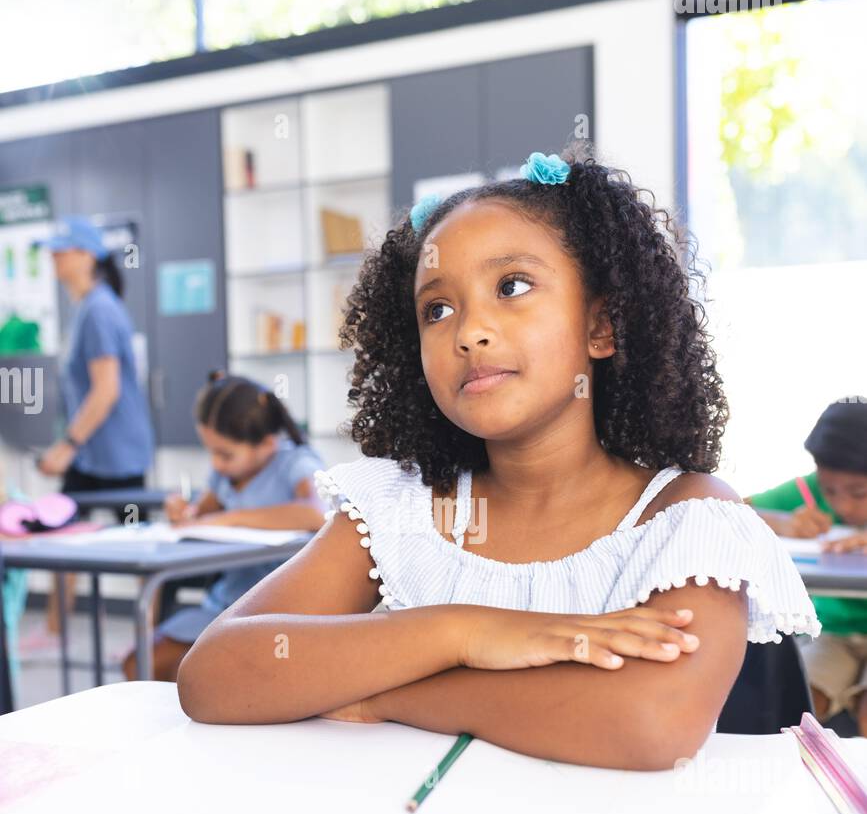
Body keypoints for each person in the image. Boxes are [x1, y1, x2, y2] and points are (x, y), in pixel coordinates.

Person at [175, 148, 819, 770]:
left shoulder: (690, 517)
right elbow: (214, 675)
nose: (469, 331)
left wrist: (386, 695)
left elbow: (650, 724)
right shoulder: (399, 511)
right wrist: (465, 634)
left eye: (512, 285)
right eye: (438, 308)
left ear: (602, 327)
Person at [122, 372, 325, 681]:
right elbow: (198, 516)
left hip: (278, 612)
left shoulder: (296, 463)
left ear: (268, 444)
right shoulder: (225, 474)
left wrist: (232, 517)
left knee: (211, 676)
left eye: (225, 454)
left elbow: (315, 513)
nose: (216, 464)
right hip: (222, 607)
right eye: (211, 452)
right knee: (140, 663)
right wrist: (182, 513)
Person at [32, 216, 154, 641]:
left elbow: (106, 391)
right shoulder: (88, 306)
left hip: (116, 455)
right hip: (95, 454)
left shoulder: (100, 309)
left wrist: (65, 447)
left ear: (86, 256)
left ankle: (150, 642)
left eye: (60, 250)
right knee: (61, 533)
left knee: (140, 547)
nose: (52, 257)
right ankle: (53, 634)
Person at [746, 398, 867, 735]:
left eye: (859, 492)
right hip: (833, 632)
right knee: (801, 710)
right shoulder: (806, 492)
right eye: (831, 490)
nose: (842, 504)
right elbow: (725, 510)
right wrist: (781, 521)